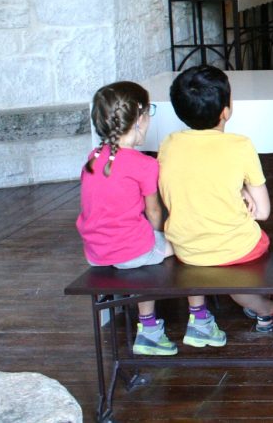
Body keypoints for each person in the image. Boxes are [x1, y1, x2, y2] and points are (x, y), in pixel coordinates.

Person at [157, 65, 273, 348]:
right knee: (252, 245)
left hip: (186, 247)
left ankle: (211, 309)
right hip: (235, 250)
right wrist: (244, 191)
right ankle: (269, 311)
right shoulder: (240, 145)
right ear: (225, 111)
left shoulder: (169, 143)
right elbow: (262, 212)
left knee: (210, 255)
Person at [77, 81, 192, 356]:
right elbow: (154, 212)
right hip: (130, 250)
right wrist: (158, 238)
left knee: (144, 250)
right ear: (139, 120)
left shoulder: (93, 158)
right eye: (149, 112)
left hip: (95, 251)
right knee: (185, 247)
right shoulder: (144, 164)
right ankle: (152, 328)